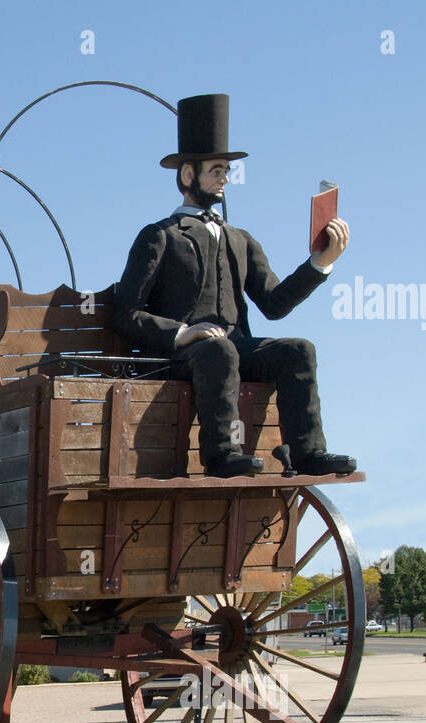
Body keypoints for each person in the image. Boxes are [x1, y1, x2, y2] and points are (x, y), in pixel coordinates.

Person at [114, 93, 356, 478]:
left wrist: (319, 265)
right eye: (215, 170)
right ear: (188, 175)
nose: (224, 178)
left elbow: (274, 305)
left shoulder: (239, 238)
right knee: (218, 350)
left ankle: (307, 451)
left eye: (226, 170)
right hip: (181, 358)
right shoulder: (159, 236)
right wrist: (182, 333)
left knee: (298, 350)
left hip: (233, 348)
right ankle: (221, 454)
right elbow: (126, 313)